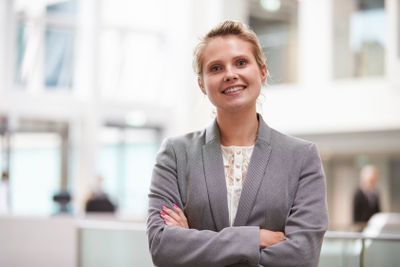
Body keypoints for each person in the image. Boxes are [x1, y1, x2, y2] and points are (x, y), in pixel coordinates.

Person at [147, 20, 328, 267]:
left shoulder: (301, 157)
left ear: (262, 71)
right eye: (216, 68)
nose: (230, 74)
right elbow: (163, 247)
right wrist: (255, 238)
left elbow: (302, 256)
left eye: (241, 63)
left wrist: (192, 241)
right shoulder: (176, 154)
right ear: (202, 84)